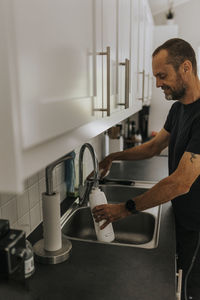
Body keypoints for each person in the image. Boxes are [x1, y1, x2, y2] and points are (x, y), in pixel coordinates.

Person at [92, 38, 200, 300]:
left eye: (162, 75)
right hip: (182, 216)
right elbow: (153, 147)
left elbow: (180, 183)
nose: (157, 83)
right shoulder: (178, 110)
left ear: (186, 68)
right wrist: (113, 156)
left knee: (189, 290)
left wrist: (124, 208)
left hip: (196, 227)